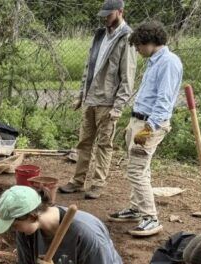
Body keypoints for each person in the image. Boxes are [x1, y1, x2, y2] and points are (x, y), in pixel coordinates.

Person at [108, 21, 182, 237]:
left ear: (149, 41)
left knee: (136, 170)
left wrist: (148, 128)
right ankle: (136, 209)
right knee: (139, 168)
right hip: (139, 120)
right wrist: (133, 123)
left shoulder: (168, 62)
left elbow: (164, 100)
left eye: (139, 45)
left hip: (150, 124)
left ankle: (151, 218)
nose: (137, 50)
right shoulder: (154, 61)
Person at [59, 0, 136, 200]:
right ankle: (77, 181)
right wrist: (81, 95)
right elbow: (89, 68)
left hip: (108, 103)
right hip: (90, 99)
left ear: (120, 12)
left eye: (109, 15)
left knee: (104, 145)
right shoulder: (100, 34)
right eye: (103, 15)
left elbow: (128, 77)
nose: (105, 18)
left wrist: (118, 107)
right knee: (84, 142)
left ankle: (97, 184)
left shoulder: (127, 38)